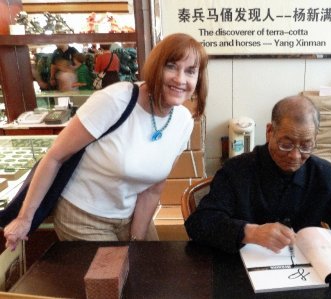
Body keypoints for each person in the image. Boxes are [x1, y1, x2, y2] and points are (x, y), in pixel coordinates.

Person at [4, 33, 208, 250]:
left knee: (145, 271)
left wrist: (136, 242)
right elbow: (55, 156)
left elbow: (153, 189)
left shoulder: (183, 121)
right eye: (171, 67)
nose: (180, 79)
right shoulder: (115, 100)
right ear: (156, 67)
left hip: (130, 213)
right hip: (84, 215)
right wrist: (25, 218)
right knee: (105, 281)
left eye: (190, 71)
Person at [185, 95, 331, 263]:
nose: (295, 156)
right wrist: (251, 232)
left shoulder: (323, 174)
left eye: (306, 145)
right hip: (242, 274)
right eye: (286, 144)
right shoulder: (236, 171)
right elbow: (201, 223)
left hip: (305, 273)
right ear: (269, 132)